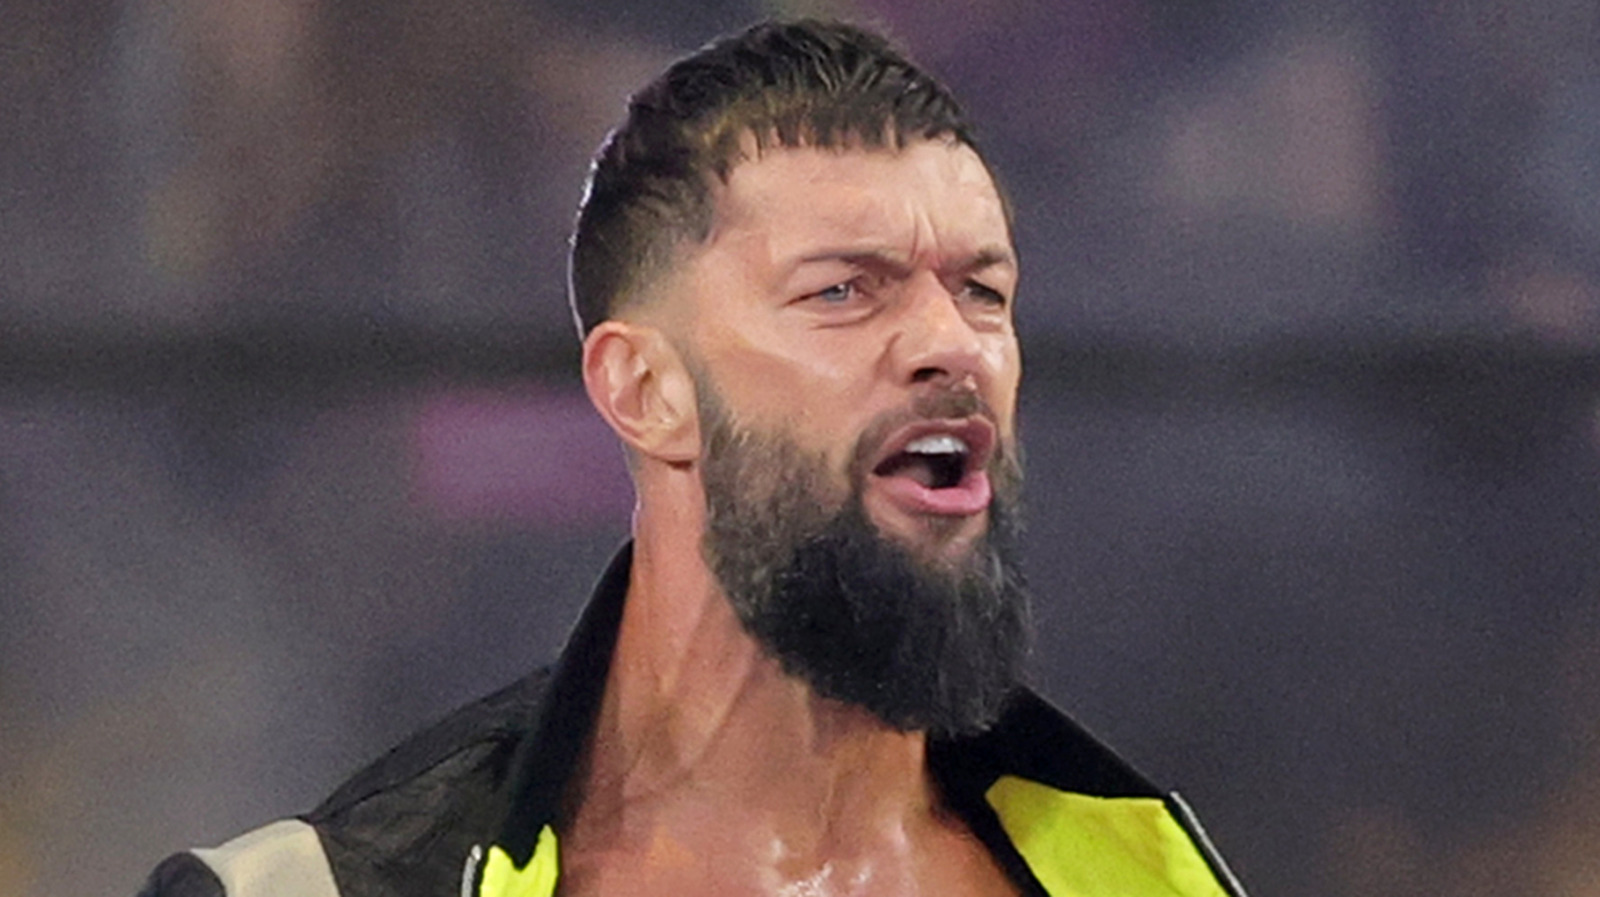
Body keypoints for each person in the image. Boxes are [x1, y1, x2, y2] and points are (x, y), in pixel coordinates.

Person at [140, 19, 1248, 897]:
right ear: (644, 391)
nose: (951, 345)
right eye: (843, 290)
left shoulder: (1145, 873)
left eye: (982, 291)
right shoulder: (317, 887)